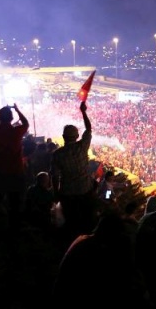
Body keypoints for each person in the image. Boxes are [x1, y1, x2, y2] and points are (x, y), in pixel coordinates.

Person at [50, 101, 96, 246]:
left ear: (63, 137)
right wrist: (83, 112)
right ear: (77, 136)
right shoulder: (82, 147)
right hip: (85, 190)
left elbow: (55, 176)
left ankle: (70, 245)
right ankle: (87, 244)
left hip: (67, 193)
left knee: (71, 221)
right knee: (87, 219)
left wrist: (56, 193)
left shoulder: (57, 154)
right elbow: (88, 128)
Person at [0, 104, 29, 240]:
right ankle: (14, 229)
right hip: (16, 170)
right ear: (11, 118)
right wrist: (17, 110)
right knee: (15, 202)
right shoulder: (16, 131)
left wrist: (0, 116)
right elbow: (26, 123)